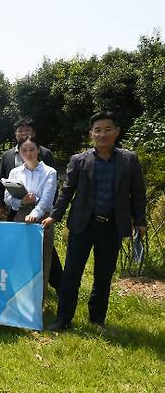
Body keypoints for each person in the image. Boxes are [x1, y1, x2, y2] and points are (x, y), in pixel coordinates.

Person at [43, 111, 147, 331]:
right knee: (71, 273)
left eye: (107, 129)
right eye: (97, 130)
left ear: (116, 131)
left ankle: (97, 319)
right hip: (83, 224)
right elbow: (66, 192)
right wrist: (54, 215)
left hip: (112, 226)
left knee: (103, 275)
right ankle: (63, 319)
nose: (102, 134)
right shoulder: (79, 160)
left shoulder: (129, 159)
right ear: (91, 134)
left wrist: (140, 221)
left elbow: (138, 193)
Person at [0, 117, 63, 292]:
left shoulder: (49, 170)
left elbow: (48, 197)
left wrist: (35, 213)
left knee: (43, 258)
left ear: (38, 150)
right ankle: (19, 294)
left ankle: (42, 296)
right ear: (19, 151)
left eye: (32, 149)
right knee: (19, 259)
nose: (28, 153)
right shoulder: (12, 167)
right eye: (24, 150)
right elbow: (5, 194)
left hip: (41, 219)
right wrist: (20, 202)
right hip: (19, 216)